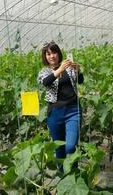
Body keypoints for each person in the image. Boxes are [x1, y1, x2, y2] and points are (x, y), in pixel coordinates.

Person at [37, 41, 83, 173]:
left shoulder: (68, 68)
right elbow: (46, 82)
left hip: (73, 111)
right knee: (59, 148)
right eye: (48, 54)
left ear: (59, 53)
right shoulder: (44, 71)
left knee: (70, 146)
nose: (52, 56)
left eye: (54, 52)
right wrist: (60, 70)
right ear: (45, 57)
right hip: (55, 113)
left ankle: (74, 172)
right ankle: (64, 177)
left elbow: (80, 81)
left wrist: (78, 71)